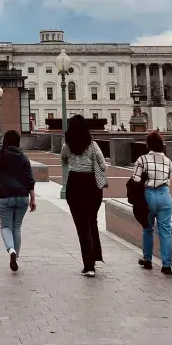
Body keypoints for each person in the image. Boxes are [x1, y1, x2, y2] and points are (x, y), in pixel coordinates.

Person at [60, 115, 107, 277]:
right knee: (92, 220)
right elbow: (103, 165)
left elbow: (63, 160)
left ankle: (89, 266)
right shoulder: (93, 145)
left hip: (75, 184)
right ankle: (95, 257)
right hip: (92, 185)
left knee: (82, 226)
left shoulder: (67, 145)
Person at [0, 129, 36, 272]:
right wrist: (33, 198)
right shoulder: (23, 157)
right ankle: (15, 256)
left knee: (6, 227)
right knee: (17, 227)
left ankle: (11, 250)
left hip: (5, 196)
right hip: (22, 196)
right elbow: (30, 179)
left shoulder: (0, 156)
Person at [132, 131, 172, 275]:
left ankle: (148, 260)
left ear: (148, 145)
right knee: (165, 230)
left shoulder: (142, 160)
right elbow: (169, 180)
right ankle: (166, 265)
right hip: (164, 195)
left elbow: (136, 180)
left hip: (148, 195)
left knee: (148, 228)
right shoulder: (169, 161)